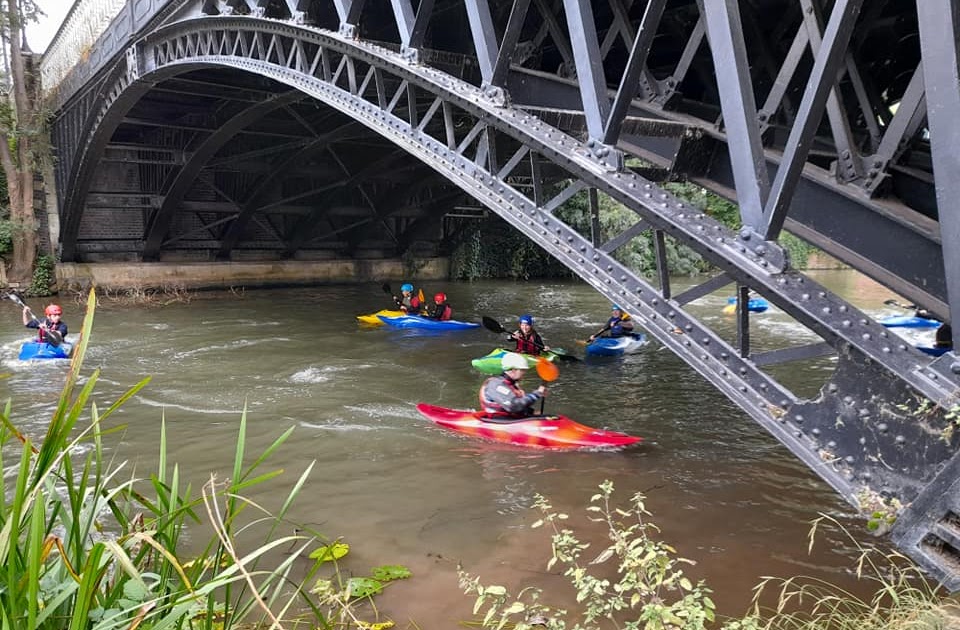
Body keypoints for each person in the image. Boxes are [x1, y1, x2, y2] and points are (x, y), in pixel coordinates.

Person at [478, 352, 546, 418]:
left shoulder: (512, 385)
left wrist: (531, 413)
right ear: (513, 370)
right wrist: (536, 394)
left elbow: (520, 406)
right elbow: (513, 406)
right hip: (499, 421)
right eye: (522, 370)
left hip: (511, 419)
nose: (524, 373)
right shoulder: (496, 385)